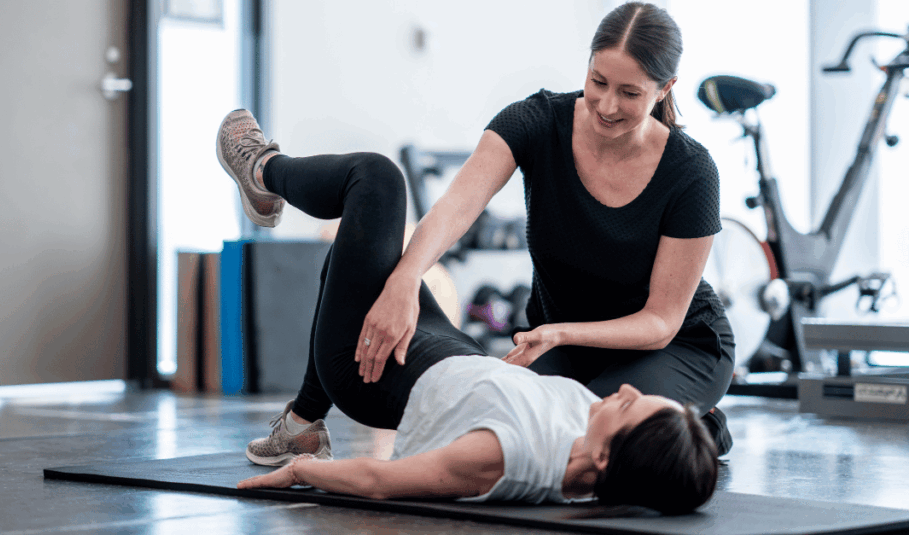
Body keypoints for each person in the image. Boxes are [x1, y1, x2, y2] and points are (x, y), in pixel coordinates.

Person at [248, 1, 736, 460]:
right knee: (504, 428)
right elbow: (458, 206)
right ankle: (303, 420)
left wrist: (559, 332)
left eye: (630, 93)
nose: (606, 105)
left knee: (582, 438)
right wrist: (404, 279)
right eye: (598, 81)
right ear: (587, 65)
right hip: (563, 347)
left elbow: (661, 322)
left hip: (671, 345)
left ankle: (699, 423)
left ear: (665, 89)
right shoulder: (536, 121)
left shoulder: (691, 172)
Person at [215, 108, 719, 513]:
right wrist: (690, 439)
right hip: (455, 351)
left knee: (377, 180)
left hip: (370, 371)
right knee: (364, 261)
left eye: (631, 405)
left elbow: (379, 480)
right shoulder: (593, 437)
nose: (628, 390)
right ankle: (301, 427)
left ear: (606, 457)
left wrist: (301, 476)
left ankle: (262, 169)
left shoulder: (509, 458)